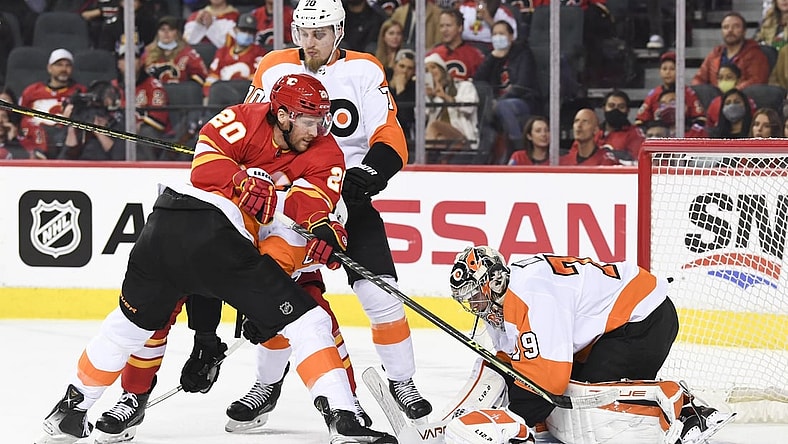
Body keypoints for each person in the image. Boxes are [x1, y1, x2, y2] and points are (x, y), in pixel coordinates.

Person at [36, 73, 396, 444]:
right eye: (309, 121)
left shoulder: (324, 152)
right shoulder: (242, 118)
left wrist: (322, 229)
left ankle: (70, 410)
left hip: (164, 228)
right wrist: (241, 183)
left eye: (322, 120)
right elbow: (204, 167)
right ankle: (344, 418)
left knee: (127, 327)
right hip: (214, 236)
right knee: (310, 321)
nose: (319, 129)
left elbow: (311, 208)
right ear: (284, 115)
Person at [235, 0, 433, 429]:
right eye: (303, 33)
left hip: (347, 202)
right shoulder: (272, 67)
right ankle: (266, 385)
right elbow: (250, 128)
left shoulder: (363, 69)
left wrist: (369, 174)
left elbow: (390, 134)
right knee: (276, 296)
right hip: (291, 206)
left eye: (319, 33)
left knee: (381, 295)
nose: (309, 43)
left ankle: (402, 381)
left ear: (339, 31)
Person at [442, 245, 733, 444]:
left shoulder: (532, 295)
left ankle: (685, 409)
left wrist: (519, 418)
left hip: (643, 319)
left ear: (493, 281)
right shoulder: (503, 298)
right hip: (610, 328)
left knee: (586, 402)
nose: (472, 304)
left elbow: (549, 378)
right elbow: (512, 359)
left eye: (474, 295)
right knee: (565, 400)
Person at [474, 19, 539, 160]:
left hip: (523, 101)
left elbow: (523, 85)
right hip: (494, 102)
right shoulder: (492, 56)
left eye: (502, 34)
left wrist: (498, 102)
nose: (498, 37)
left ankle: (519, 149)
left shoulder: (523, 54)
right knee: (484, 111)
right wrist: (492, 58)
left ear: (511, 36)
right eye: (495, 34)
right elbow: (478, 80)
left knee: (503, 107)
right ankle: (485, 155)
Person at [18, 48, 86, 158]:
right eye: (59, 65)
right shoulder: (32, 91)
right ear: (49, 68)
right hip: (33, 142)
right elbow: (21, 118)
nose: (64, 69)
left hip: (65, 142)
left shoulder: (80, 92)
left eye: (68, 65)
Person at [112, 35, 171, 161]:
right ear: (118, 63)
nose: (129, 61)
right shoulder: (112, 87)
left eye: (134, 57)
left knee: (145, 134)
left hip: (145, 135)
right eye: (124, 58)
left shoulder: (153, 86)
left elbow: (159, 121)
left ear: (140, 61)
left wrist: (133, 126)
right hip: (117, 135)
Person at [692, 11, 770, 91]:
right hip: (714, 100)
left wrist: (731, 94)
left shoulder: (755, 55)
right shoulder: (715, 54)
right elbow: (699, 79)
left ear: (744, 31)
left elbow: (756, 81)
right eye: (726, 27)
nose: (730, 30)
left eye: (736, 27)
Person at [635, 51, 706, 131]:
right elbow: (640, 121)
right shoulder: (654, 94)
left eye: (672, 69)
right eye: (664, 69)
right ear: (660, 71)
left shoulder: (688, 93)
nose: (667, 72)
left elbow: (700, 119)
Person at [203, 12, 268, 97]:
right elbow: (211, 79)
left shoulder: (259, 53)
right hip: (221, 99)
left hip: (245, 99)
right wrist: (209, 96)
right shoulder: (222, 52)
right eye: (243, 30)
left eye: (250, 32)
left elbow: (256, 83)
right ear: (235, 29)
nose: (247, 34)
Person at [424, 52, 479, 150]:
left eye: (433, 67)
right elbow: (421, 118)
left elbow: (469, 108)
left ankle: (422, 161)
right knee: (439, 139)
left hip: (462, 135)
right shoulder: (429, 94)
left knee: (434, 125)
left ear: (442, 70)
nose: (431, 72)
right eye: (427, 70)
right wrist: (428, 98)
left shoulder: (465, 86)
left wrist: (445, 97)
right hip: (439, 137)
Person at [143, 16, 208, 86]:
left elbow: (201, 76)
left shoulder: (188, 53)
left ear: (177, 33)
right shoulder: (147, 52)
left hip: (179, 93)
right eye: (162, 29)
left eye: (170, 29)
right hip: (153, 93)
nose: (166, 33)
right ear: (158, 33)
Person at [427, 8, 485, 80]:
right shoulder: (433, 55)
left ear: (460, 27)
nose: (444, 30)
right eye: (441, 26)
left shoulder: (474, 55)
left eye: (448, 25)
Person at [595, 90, 645, 163]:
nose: (615, 110)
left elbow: (636, 161)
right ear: (604, 108)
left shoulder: (635, 134)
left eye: (621, 107)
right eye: (611, 106)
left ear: (628, 111)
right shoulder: (593, 132)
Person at [706, 63, 757, 128]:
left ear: (738, 80)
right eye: (720, 78)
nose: (724, 81)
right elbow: (708, 125)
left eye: (729, 77)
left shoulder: (748, 101)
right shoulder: (714, 102)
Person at [387, 49, 417, 141]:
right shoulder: (381, 82)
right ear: (395, 66)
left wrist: (400, 90)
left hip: (403, 136)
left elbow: (405, 119)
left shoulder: (415, 88)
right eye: (402, 66)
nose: (405, 71)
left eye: (409, 68)